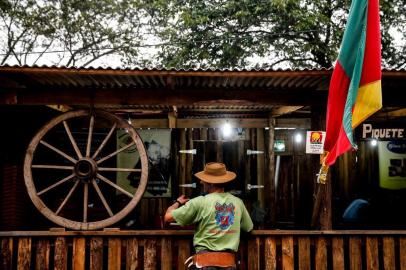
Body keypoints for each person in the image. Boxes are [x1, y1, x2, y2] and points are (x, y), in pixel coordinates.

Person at [164, 162, 253, 269]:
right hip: (229, 264)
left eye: (204, 180)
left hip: (205, 264)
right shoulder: (238, 202)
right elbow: (248, 228)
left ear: (210, 183)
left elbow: (167, 217)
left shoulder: (199, 202)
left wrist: (177, 202)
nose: (201, 182)